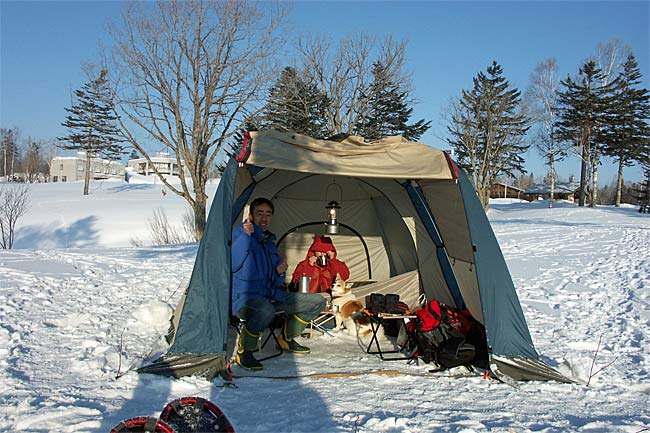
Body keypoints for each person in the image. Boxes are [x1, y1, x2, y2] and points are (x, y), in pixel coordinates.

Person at [231, 197, 326, 371]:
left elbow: (273, 280)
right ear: (251, 216)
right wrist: (245, 237)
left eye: (268, 214)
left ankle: (286, 339)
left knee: (317, 301)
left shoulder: (268, 243)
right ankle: (244, 350)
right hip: (244, 299)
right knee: (264, 309)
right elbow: (233, 264)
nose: (264, 218)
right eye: (260, 214)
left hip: (270, 296)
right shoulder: (239, 235)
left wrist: (279, 273)